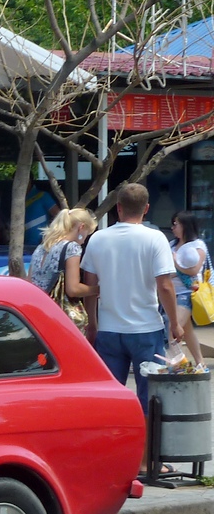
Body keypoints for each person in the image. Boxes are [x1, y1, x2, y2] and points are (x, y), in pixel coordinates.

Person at [81, 183, 183, 471]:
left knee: (111, 397)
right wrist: (175, 322)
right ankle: (144, 460)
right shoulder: (155, 239)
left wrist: (92, 322)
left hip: (110, 330)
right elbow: (164, 285)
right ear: (147, 208)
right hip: (146, 329)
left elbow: (91, 286)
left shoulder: (99, 239)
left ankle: (113, 456)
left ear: (118, 207)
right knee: (147, 397)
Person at [27, 208, 98, 298]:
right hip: (55, 308)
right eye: (87, 234)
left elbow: (29, 282)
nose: (84, 240)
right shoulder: (72, 247)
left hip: (37, 304)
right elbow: (73, 289)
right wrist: (97, 290)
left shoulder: (41, 247)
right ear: (81, 227)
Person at [170, 210, 209, 364]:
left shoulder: (198, 245)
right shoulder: (172, 244)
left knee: (174, 330)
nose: (173, 227)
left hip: (187, 293)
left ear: (186, 225)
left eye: (176, 224)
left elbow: (193, 270)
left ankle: (178, 364)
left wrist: (175, 264)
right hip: (172, 293)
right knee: (186, 331)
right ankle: (200, 363)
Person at [23, 179, 61, 247]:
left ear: (29, 181)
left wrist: (51, 235)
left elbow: (59, 217)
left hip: (41, 245)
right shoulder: (16, 200)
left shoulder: (42, 195)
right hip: (22, 246)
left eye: (20, 180)